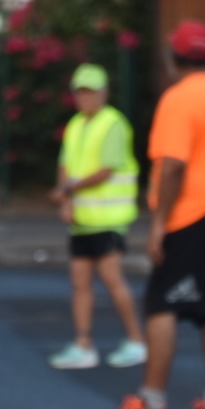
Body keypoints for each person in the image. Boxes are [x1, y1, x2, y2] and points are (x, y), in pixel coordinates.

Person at [102, 20, 205, 409]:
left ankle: (151, 402)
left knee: (162, 304)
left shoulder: (180, 100)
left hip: (193, 214)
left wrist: (159, 223)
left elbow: (172, 166)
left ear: (172, 60)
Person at [47, 62, 147, 370]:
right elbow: (66, 164)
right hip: (82, 219)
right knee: (79, 282)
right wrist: (66, 198)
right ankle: (83, 343)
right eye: (79, 92)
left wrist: (68, 188)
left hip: (108, 218)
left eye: (89, 91)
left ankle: (135, 340)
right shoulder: (76, 125)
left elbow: (106, 170)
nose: (83, 98)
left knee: (111, 278)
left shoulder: (113, 124)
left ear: (103, 93)